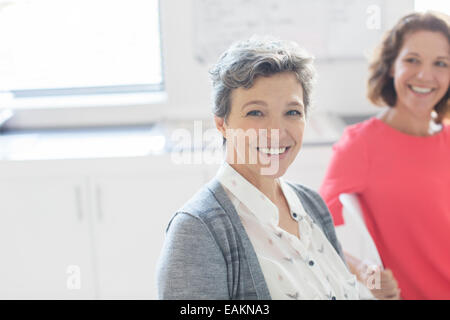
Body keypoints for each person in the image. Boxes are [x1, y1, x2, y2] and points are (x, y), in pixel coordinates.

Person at [156, 36, 360, 300]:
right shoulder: (196, 230)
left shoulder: (312, 204)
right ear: (222, 124)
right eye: (256, 113)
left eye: (292, 112)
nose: (276, 132)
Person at [319, 12, 450, 300]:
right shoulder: (361, 144)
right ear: (391, 66)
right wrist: (363, 270)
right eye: (412, 60)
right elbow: (312, 230)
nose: (425, 75)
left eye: (440, 63)